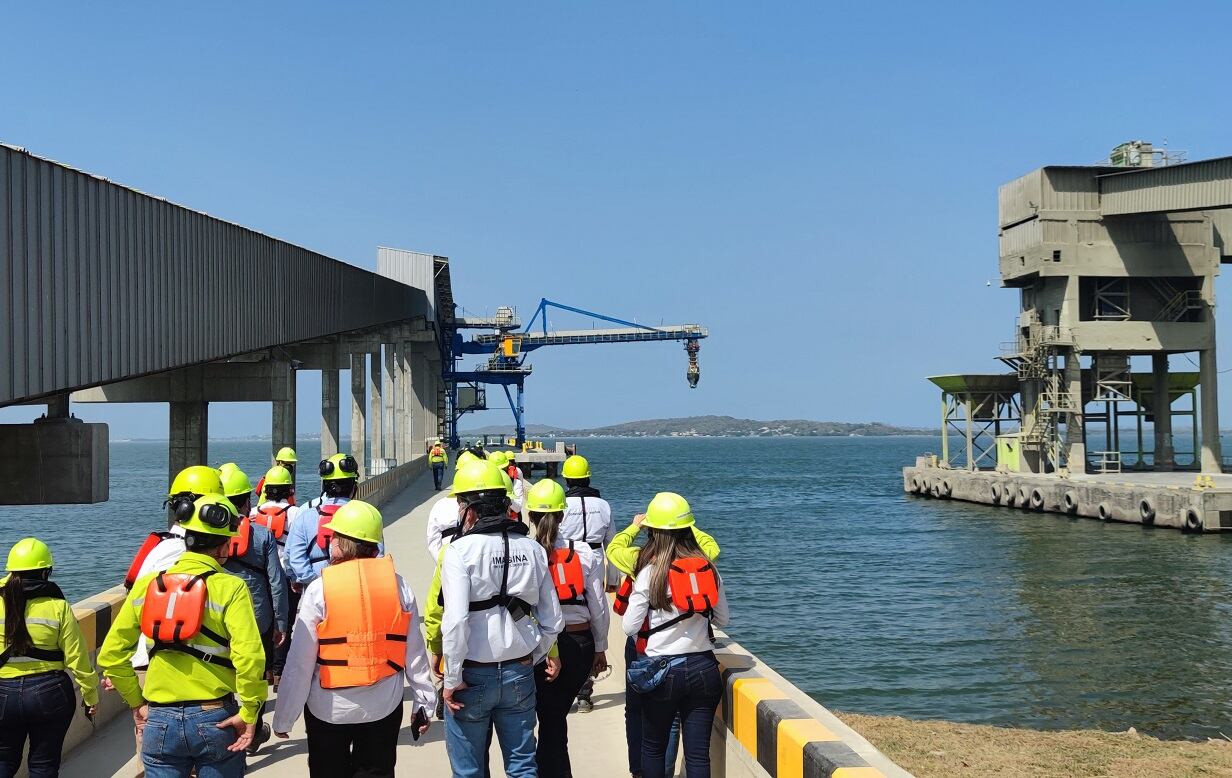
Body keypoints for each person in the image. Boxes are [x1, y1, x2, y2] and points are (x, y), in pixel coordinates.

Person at [99, 495, 267, 778]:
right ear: (225, 544)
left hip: (159, 719)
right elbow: (250, 658)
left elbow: (111, 656)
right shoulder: (231, 588)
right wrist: (250, 712)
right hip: (215, 717)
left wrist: (137, 703)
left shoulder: (147, 585)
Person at [272, 501, 434, 777]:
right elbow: (414, 653)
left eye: (333, 537)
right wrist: (425, 702)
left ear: (341, 544)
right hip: (384, 705)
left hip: (329, 709)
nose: (329, 541)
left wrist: (284, 717)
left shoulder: (319, 590)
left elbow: (299, 664)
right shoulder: (399, 585)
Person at [440, 461, 564, 778]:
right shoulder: (533, 548)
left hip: (471, 675)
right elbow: (553, 621)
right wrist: (532, 658)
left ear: (469, 509)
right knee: (523, 767)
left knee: (469, 771)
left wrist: (452, 678)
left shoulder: (459, 551)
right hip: (519, 672)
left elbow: (454, 623)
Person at [607, 497, 721, 778]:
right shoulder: (707, 567)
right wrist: (691, 526)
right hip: (704, 668)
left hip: (662, 669)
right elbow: (724, 619)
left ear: (652, 531)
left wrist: (635, 526)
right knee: (698, 755)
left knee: (653, 747)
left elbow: (630, 627)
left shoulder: (645, 567)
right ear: (688, 528)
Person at [524, 479, 609, 778]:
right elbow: (598, 605)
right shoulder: (584, 552)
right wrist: (600, 647)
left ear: (531, 516)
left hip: (539, 647)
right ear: (563, 516)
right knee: (554, 718)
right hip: (580, 643)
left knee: (549, 718)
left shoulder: (526, 554)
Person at [0, 538, 99, 778]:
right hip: (49, 693)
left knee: (3, 759)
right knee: (44, 764)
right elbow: (77, 658)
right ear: (46, 571)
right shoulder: (58, 606)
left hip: (3, 693)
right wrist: (91, 695)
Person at [220, 466, 288, 754]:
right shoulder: (262, 536)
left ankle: (224, 728)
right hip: (258, 617)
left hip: (220, 618)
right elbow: (277, 582)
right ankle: (253, 729)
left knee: (224, 676)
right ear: (247, 502)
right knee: (256, 675)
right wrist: (281, 622)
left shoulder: (209, 537)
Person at [557, 454, 615, 712]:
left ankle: (563, 687)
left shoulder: (562, 505)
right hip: (595, 558)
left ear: (567, 479)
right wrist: (612, 578)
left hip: (567, 561)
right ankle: (585, 690)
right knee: (594, 613)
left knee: (568, 615)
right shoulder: (603, 506)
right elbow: (611, 544)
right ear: (588, 476)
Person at [253, 464, 301, 685]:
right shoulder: (296, 513)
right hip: (285, 575)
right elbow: (296, 547)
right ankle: (280, 671)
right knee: (285, 623)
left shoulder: (254, 513)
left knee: (264, 624)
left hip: (262, 575)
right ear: (289, 490)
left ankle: (266, 670)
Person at [286, 453, 361, 588]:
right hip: (355, 589)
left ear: (324, 486)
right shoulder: (366, 515)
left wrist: (315, 583)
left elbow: (292, 556)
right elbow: (378, 554)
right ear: (354, 486)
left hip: (314, 591)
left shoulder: (305, 516)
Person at [425, 450, 481, 562]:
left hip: (446, 560)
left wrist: (442, 565)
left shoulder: (440, 505)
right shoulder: (486, 504)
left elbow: (433, 541)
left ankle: (438, 485)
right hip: (478, 562)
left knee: (437, 476)